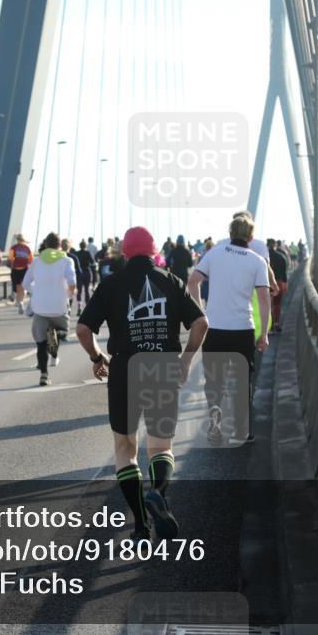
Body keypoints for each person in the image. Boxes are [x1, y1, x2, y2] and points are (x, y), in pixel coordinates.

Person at [77, 226, 208, 546]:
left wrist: (97, 357)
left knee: (125, 449)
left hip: (124, 368)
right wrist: (187, 358)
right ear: (153, 252)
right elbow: (201, 322)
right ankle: (158, 493)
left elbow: (83, 328)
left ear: (124, 252)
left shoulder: (110, 284)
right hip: (163, 366)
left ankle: (139, 528)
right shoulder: (172, 281)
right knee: (161, 447)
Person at [187, 216, 270, 445]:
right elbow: (263, 298)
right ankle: (242, 431)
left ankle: (215, 416)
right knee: (243, 381)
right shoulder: (257, 261)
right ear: (251, 237)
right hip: (243, 329)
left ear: (230, 233)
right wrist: (263, 333)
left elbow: (193, 281)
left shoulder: (215, 253)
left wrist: (200, 313)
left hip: (214, 328)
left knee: (214, 380)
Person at [22, 232, 76, 386]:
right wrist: (68, 296)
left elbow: (25, 284)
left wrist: (36, 291)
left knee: (40, 343)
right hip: (59, 306)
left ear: (45, 245)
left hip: (40, 307)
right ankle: (55, 345)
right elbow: (72, 281)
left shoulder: (37, 261)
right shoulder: (67, 260)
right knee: (60, 332)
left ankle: (44, 375)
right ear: (60, 245)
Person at [267, 239, 289, 333]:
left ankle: (270, 325)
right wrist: (284, 284)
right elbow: (284, 272)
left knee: (268, 304)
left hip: (266, 283)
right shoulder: (281, 257)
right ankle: (276, 323)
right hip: (278, 282)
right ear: (275, 245)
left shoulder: (263, 257)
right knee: (277, 304)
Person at [8, 234, 34, 314]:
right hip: (24, 269)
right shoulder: (27, 248)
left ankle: (13, 293)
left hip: (15, 268)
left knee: (16, 285)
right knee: (22, 288)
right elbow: (30, 260)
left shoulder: (13, 248)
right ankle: (21, 303)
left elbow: (10, 258)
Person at [72, 240, 95, 315]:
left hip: (79, 273)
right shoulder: (87, 252)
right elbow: (92, 262)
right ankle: (87, 309)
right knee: (87, 290)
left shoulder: (76, 253)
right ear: (85, 246)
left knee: (79, 290)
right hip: (87, 272)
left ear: (79, 246)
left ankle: (79, 307)